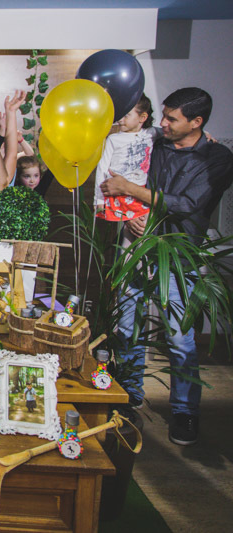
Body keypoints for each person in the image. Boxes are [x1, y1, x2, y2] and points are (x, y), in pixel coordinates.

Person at [100, 87, 233, 446]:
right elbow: (135, 178)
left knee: (180, 337)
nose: (164, 123)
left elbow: (189, 204)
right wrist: (130, 214)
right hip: (137, 246)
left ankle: (185, 412)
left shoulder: (218, 158)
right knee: (127, 328)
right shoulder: (154, 143)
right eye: (163, 115)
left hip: (178, 255)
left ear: (197, 122)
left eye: (172, 118)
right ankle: (129, 396)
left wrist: (131, 190)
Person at [94, 94, 157, 248]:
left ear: (142, 117)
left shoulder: (152, 133)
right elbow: (102, 168)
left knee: (142, 237)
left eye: (126, 115)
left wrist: (206, 135)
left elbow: (172, 134)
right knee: (128, 239)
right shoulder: (113, 139)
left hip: (141, 193)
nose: (120, 119)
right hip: (120, 193)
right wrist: (99, 199)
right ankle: (127, 270)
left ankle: (143, 271)